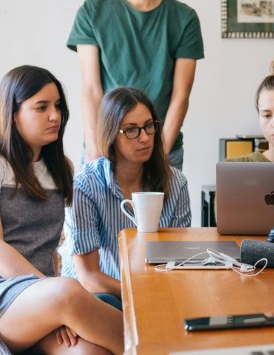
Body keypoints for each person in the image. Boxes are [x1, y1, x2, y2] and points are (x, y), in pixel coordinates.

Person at [0, 66, 122, 354]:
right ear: (12, 112)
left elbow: (49, 249)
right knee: (69, 289)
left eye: (58, 106)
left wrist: (52, 304)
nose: (55, 116)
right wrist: (53, 297)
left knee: (90, 351)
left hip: (38, 301)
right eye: (41, 107)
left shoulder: (58, 169)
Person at [68, 0, 204, 169]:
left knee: (162, 211)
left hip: (162, 148)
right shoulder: (92, 13)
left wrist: (160, 155)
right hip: (107, 148)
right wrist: (96, 151)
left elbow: (181, 95)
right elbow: (91, 89)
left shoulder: (184, 18)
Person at [61, 87, 191, 310]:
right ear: (111, 135)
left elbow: (178, 261)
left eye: (149, 126)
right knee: (108, 304)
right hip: (100, 294)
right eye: (131, 130)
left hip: (155, 290)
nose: (144, 138)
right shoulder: (85, 185)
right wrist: (139, 293)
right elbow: (89, 277)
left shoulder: (176, 182)